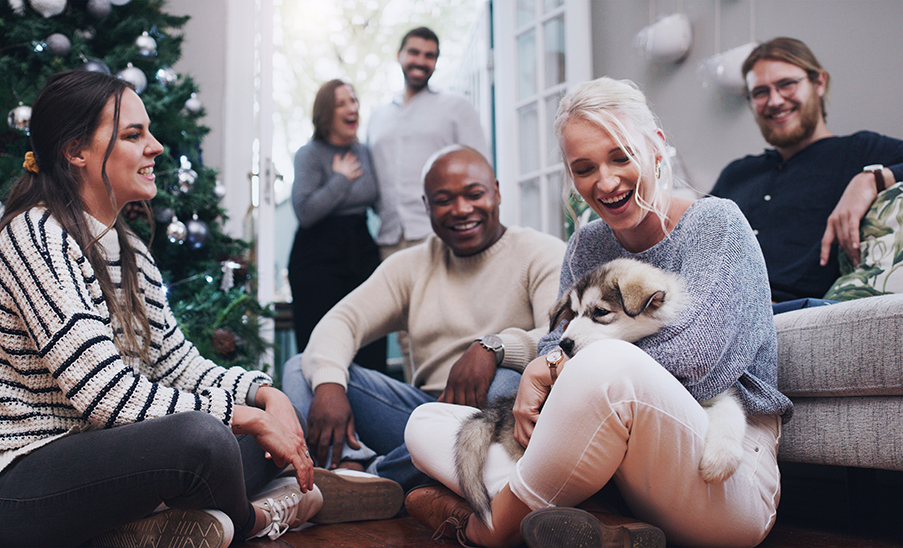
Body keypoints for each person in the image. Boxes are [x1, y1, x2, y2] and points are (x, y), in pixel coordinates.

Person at [0, 70, 388, 548]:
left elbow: (177, 364)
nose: (157, 147)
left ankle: (136, 530)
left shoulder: (128, 248)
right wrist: (248, 417)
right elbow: (105, 394)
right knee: (204, 439)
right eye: (134, 135)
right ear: (76, 151)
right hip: (4, 489)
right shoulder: (36, 237)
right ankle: (264, 514)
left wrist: (265, 394)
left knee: (262, 426)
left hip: (91, 463)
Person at [404, 77, 794, 548]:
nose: (604, 182)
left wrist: (553, 370)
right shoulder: (588, 243)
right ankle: (599, 524)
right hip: (615, 470)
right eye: (584, 168)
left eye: (621, 156)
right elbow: (557, 337)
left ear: (656, 148)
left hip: (722, 465)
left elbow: (699, 363)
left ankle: (480, 528)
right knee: (425, 423)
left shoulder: (717, 225)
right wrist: (538, 368)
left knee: (606, 363)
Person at [282, 145, 565, 494]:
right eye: (444, 200)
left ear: (496, 190)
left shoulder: (542, 253)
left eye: (474, 194)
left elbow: (561, 339)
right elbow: (341, 321)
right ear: (427, 206)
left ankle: (374, 480)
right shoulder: (412, 265)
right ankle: (358, 470)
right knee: (302, 367)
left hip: (490, 417)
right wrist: (328, 384)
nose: (461, 210)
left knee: (506, 386)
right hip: (419, 413)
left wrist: (496, 347)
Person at [711, 37, 903, 302]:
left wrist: (872, 179)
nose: (775, 101)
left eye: (786, 84)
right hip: (715, 308)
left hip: (794, 311)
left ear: (819, 83)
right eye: (760, 92)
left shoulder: (859, 151)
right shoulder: (736, 173)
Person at [288, 79, 387, 374]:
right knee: (321, 342)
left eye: (353, 100)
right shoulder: (309, 153)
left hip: (362, 245)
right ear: (325, 114)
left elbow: (376, 199)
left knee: (370, 339)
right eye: (341, 103)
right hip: (318, 253)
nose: (351, 107)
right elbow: (305, 212)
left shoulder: (365, 152)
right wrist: (341, 179)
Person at [368, 26, 490, 259]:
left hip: (438, 235)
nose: (421, 61)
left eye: (429, 56)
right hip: (387, 239)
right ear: (399, 55)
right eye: (414, 52)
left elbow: (480, 170)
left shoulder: (456, 106)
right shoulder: (377, 117)